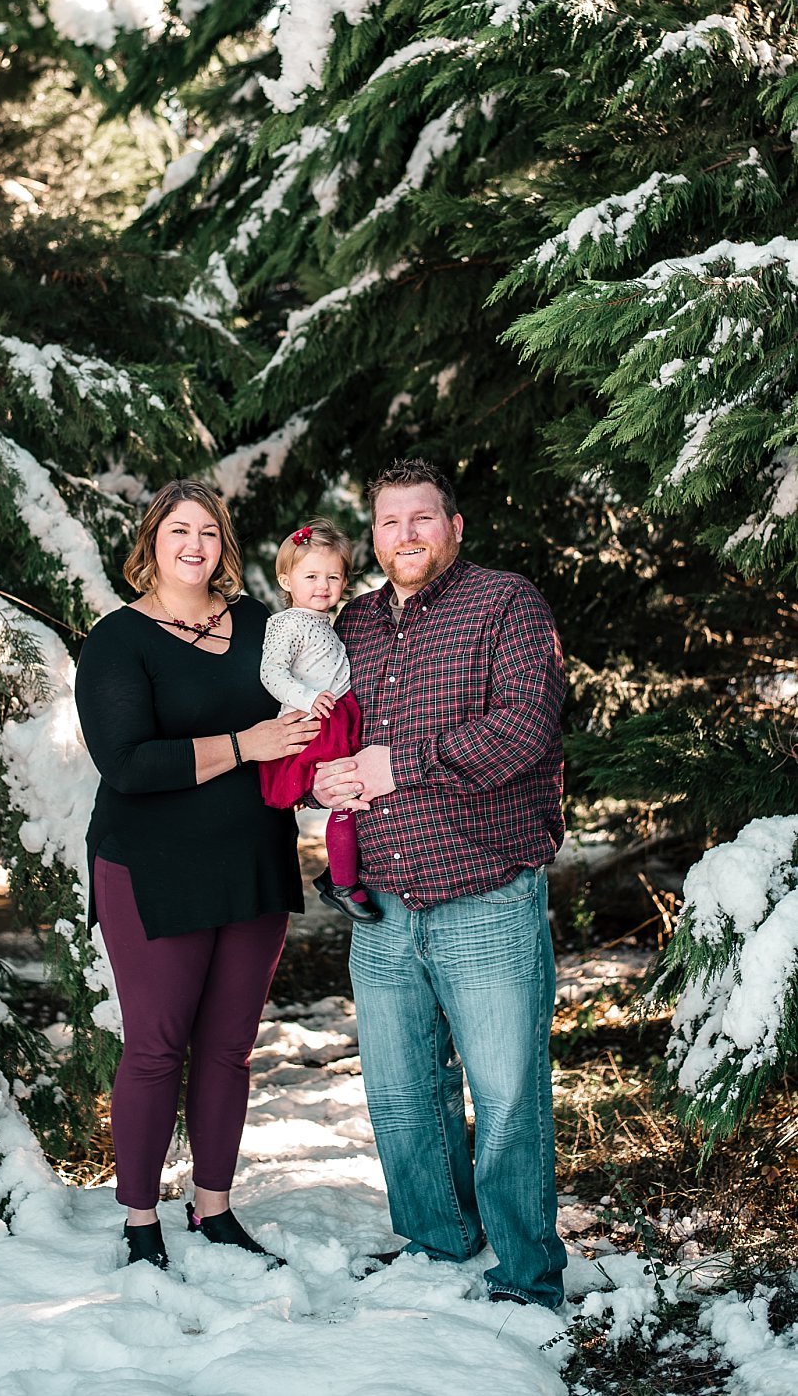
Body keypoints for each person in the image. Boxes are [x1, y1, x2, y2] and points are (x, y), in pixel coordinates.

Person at [312, 458, 568, 1309]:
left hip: (485, 893)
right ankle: (436, 1240)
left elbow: (525, 727)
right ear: (375, 537)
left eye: (423, 518)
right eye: (389, 522)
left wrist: (398, 767)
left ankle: (527, 1277)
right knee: (401, 1093)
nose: (406, 535)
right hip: (382, 903)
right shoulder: (352, 624)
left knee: (506, 1096)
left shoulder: (505, 602)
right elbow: (326, 730)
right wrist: (326, 775)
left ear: (454, 527)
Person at [75, 478, 319, 1271]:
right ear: (150, 543)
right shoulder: (118, 640)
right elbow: (128, 762)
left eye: (208, 532)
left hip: (253, 855)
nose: (194, 545)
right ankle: (140, 1221)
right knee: (155, 1046)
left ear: (225, 545)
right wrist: (247, 746)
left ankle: (213, 1208)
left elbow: (307, 715)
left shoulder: (259, 624)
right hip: (151, 865)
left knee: (230, 1047)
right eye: (178, 530)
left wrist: (324, 763)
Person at [258, 518, 380, 925]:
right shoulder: (287, 623)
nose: (323, 586)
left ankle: (342, 873)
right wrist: (309, 700)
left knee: (353, 799)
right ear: (286, 579)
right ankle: (343, 883)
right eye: (311, 576)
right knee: (347, 797)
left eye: (333, 576)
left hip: (339, 717)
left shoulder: (325, 620)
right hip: (318, 721)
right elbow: (271, 673)